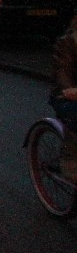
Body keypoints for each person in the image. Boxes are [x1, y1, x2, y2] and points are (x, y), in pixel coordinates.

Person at [50, 27, 77, 181]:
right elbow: (62, 72)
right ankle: (70, 165)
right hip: (66, 96)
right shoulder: (68, 42)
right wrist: (69, 90)